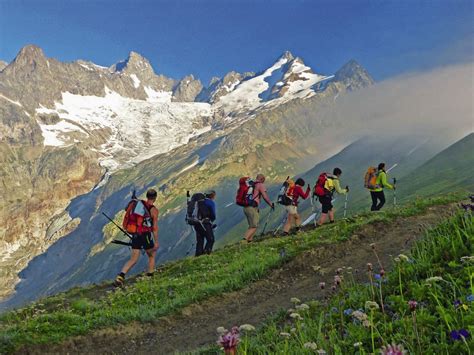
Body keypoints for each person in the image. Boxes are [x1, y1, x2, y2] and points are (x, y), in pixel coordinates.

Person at [114, 189, 159, 287]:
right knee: (151, 255)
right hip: (145, 235)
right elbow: (154, 228)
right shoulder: (153, 210)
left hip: (135, 234)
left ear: (147, 196)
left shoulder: (140, 205)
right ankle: (150, 276)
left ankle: (120, 276)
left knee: (133, 258)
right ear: (155, 198)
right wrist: (156, 242)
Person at [243, 174, 274, 242]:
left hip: (246, 207)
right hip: (252, 207)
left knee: (251, 226)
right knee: (254, 226)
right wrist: (271, 204)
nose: (263, 182)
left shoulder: (251, 185)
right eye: (264, 180)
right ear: (262, 179)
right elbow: (265, 196)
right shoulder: (260, 185)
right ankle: (243, 241)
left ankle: (249, 242)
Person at [194, 190, 217, 256]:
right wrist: (211, 221)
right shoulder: (210, 202)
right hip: (205, 223)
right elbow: (213, 215)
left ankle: (198, 256)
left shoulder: (199, 202)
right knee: (210, 239)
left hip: (196, 223)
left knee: (200, 240)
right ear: (212, 195)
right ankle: (206, 254)